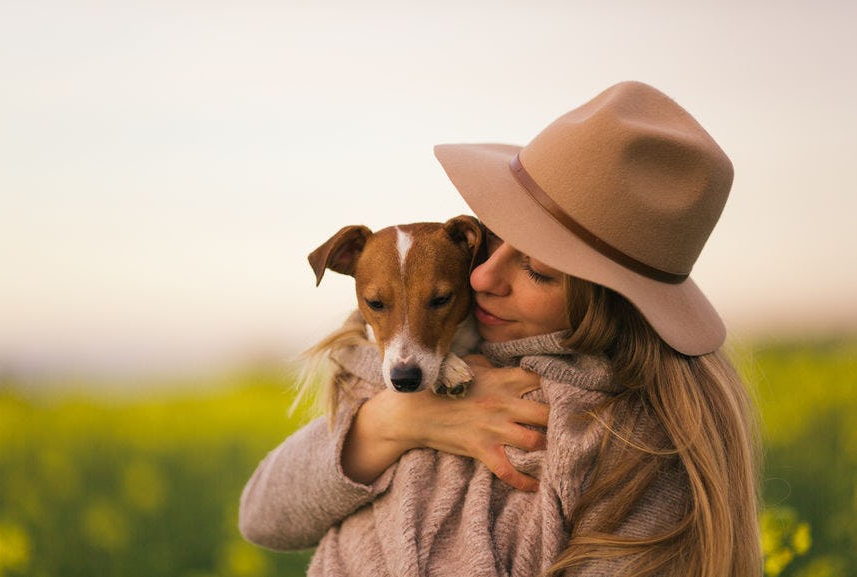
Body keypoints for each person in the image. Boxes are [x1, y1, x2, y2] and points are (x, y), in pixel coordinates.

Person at [239, 81, 762, 577]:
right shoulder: (371, 368)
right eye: (492, 242)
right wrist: (391, 422)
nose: (482, 276)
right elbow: (262, 517)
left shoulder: (629, 444)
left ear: (611, 302)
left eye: (537, 270)